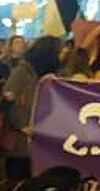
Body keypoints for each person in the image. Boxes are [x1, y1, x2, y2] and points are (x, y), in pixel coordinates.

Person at [2, 36, 61, 180]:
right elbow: (9, 100)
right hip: (21, 141)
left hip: (39, 141)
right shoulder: (23, 71)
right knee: (18, 180)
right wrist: (22, 125)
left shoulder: (48, 74)